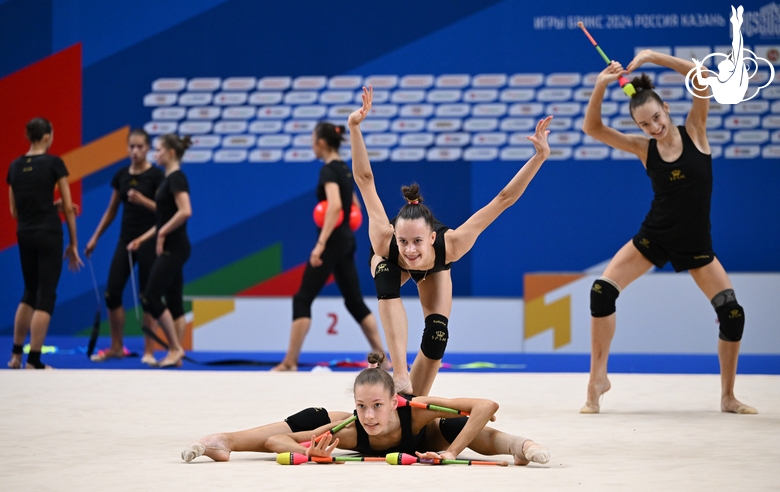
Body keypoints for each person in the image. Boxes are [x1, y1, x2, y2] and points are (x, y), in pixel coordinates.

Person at [579, 50, 756, 414]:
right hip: (655, 236)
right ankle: (598, 378)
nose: (653, 128)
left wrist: (652, 57)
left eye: (656, 118)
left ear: (666, 111)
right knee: (601, 293)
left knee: (732, 314)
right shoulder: (644, 148)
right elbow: (592, 129)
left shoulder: (696, 131)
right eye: (645, 124)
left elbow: (702, 76)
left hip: (695, 244)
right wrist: (599, 86)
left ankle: (728, 396)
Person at [348, 86, 552, 395]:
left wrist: (539, 157)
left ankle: (415, 398)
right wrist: (354, 127)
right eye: (404, 241)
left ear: (432, 237)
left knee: (437, 334)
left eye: (417, 241)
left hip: (436, 270)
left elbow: (503, 199)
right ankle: (400, 374)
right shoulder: (384, 241)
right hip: (388, 265)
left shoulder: (453, 244)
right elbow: (364, 180)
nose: (410, 250)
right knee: (387, 277)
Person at [182, 352, 550, 465]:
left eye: (377, 406)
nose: (370, 416)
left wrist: (452, 452)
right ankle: (220, 440)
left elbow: (486, 405)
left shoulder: (417, 410)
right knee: (313, 421)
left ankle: (522, 447)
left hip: (434, 436)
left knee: (456, 427)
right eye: (362, 406)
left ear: (395, 402)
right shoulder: (351, 428)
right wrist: (309, 452)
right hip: (326, 423)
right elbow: (276, 440)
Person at [272, 122, 387, 371]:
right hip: (346, 240)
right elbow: (353, 205)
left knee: (302, 298)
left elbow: (334, 206)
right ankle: (384, 358)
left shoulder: (328, 171)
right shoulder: (344, 169)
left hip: (333, 241)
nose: (312, 144)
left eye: (313, 139)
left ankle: (290, 361)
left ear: (321, 143)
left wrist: (321, 244)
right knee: (354, 301)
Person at [6, 117, 83, 369]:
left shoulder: (15, 167)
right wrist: (73, 243)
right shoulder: (54, 163)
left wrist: (48, 207)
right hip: (49, 233)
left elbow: (15, 211)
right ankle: (34, 360)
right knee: (46, 295)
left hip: (25, 233)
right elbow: (70, 210)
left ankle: (16, 356)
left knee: (29, 292)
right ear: (47, 136)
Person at [85, 128, 164, 365]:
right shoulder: (120, 175)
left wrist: (143, 201)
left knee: (147, 297)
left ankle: (150, 350)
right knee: (112, 292)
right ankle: (116, 347)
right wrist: (95, 237)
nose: (136, 151)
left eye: (140, 147)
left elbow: (165, 211)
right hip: (125, 241)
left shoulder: (156, 177)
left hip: (149, 241)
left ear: (148, 148)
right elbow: (111, 211)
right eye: (132, 147)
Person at [128, 134, 192, 368]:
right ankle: (176, 354)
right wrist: (144, 238)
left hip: (175, 247)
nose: (155, 155)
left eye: (158, 150)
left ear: (171, 153)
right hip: (172, 246)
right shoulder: (168, 179)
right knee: (174, 302)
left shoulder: (176, 178)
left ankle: (175, 348)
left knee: (151, 296)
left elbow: (185, 211)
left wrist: (163, 233)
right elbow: (163, 218)